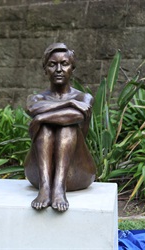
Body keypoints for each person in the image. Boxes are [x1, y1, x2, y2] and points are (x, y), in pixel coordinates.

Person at [24, 43, 96, 212]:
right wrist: (69, 103)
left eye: (64, 64)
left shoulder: (84, 97)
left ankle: (58, 188)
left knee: (66, 127)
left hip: (77, 172)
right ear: (45, 69)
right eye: (52, 64)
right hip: (39, 174)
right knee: (47, 128)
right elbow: (33, 109)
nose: (58, 69)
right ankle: (47, 187)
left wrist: (42, 118)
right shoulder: (36, 98)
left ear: (72, 68)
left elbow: (76, 117)